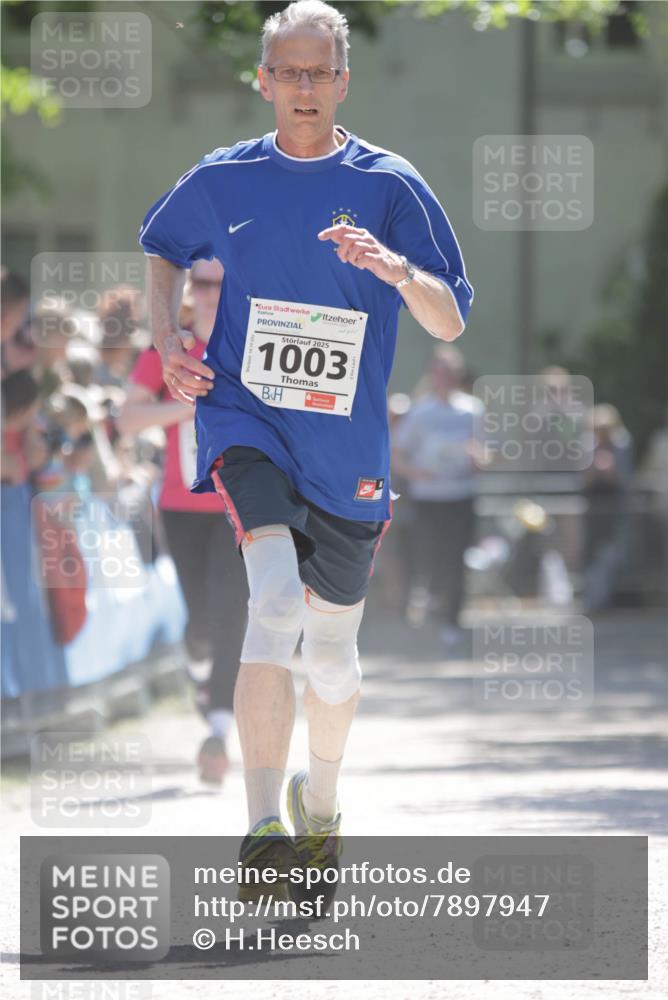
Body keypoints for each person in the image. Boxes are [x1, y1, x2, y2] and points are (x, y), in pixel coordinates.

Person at [138, 0, 473, 903]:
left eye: (319, 72)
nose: (303, 87)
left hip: (348, 445)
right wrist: (170, 341)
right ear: (263, 80)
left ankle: (319, 803)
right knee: (274, 592)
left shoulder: (390, 185)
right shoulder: (225, 177)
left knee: (330, 654)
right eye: (287, 71)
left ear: (343, 82)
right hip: (246, 418)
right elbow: (163, 248)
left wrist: (396, 271)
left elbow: (449, 316)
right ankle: (259, 829)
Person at [118, 259, 248, 784]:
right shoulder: (167, 352)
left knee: (230, 609)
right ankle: (199, 670)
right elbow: (127, 419)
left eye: (223, 282)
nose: (213, 292)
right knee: (198, 622)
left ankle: (218, 729)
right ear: (189, 291)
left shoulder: (251, 346)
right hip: (181, 504)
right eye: (204, 283)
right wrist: (191, 405)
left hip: (239, 505)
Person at [392, 344, 480, 647]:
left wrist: (477, 458)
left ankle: (453, 620)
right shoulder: (420, 412)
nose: (444, 376)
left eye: (449, 371)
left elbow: (488, 451)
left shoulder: (472, 409)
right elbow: (397, 452)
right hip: (428, 498)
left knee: (456, 560)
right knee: (427, 559)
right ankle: (428, 616)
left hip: (460, 496)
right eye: (438, 371)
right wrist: (417, 474)